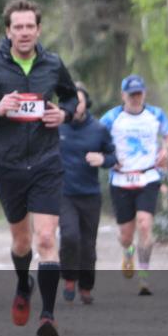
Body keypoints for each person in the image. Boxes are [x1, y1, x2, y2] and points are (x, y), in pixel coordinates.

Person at [0, 0, 77, 336]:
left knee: (45, 239)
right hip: (9, 166)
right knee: (22, 241)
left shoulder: (53, 64)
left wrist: (64, 114)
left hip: (46, 163)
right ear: (8, 31)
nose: (24, 32)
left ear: (38, 30)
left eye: (30, 27)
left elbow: (71, 98)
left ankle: (49, 316)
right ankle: (23, 284)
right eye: (18, 27)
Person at [99, 74, 168, 296]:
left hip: (148, 177)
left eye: (139, 94)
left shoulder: (155, 114)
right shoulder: (111, 117)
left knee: (144, 224)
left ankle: (144, 277)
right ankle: (128, 251)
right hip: (121, 179)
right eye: (131, 94)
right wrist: (108, 157)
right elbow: (96, 138)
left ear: (144, 94)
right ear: (123, 95)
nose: (135, 98)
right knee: (126, 234)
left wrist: (166, 149)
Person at [58, 83, 116, 304]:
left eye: (77, 101)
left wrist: (103, 160)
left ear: (85, 104)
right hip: (64, 193)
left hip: (90, 194)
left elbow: (112, 156)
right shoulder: (56, 127)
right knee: (70, 236)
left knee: (88, 245)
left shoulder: (99, 129)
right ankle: (69, 278)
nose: (73, 105)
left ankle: (86, 286)